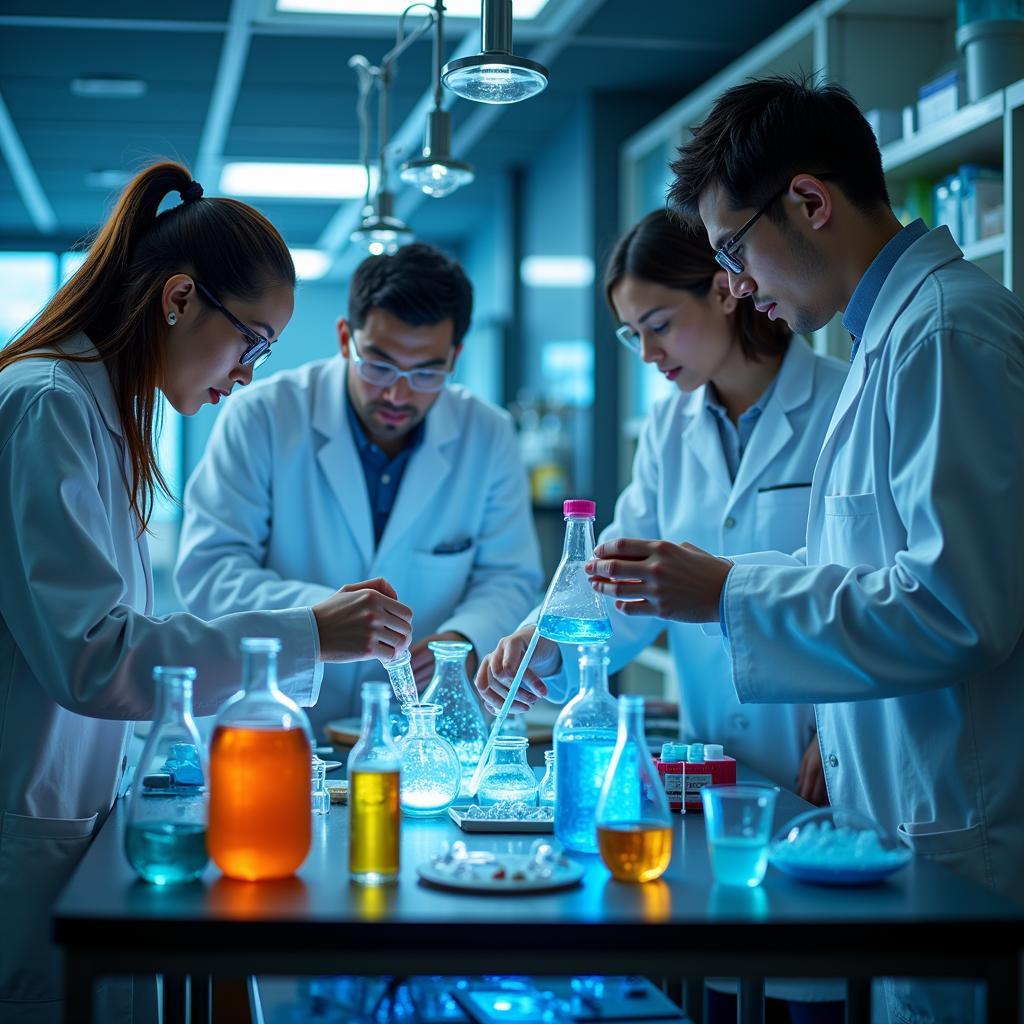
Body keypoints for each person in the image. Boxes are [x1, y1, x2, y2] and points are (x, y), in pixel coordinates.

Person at [591, 76, 1023, 1023]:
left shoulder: (945, 334)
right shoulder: (889, 341)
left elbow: (957, 609)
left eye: (735, 250)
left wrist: (728, 593)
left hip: (960, 831)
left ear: (811, 204)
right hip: (890, 822)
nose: (736, 284)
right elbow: (862, 580)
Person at [0, 161, 413, 1023]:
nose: (251, 373)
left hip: (68, 818)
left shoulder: (100, 408)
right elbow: (96, 657)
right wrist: (308, 632)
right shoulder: (48, 405)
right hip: (25, 836)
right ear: (181, 298)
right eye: (253, 341)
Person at [475, 208, 848, 1021]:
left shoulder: (840, 405)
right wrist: (539, 643)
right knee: (725, 982)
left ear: (724, 290)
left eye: (658, 325)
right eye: (628, 335)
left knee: (817, 986)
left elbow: (865, 589)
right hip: (721, 768)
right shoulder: (671, 428)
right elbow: (620, 572)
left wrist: (846, 729)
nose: (647, 354)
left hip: (829, 766)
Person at [174, 242, 542, 732]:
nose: (397, 393)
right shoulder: (263, 416)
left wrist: (462, 640)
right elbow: (210, 571)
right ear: (346, 338)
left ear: (454, 357)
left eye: (426, 373)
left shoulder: (487, 434)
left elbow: (509, 577)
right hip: (280, 720)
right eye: (380, 365)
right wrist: (324, 619)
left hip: (420, 726)